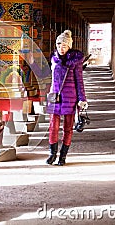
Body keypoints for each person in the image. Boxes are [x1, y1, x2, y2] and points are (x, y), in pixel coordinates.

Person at [27, 30, 88, 166]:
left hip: (70, 97)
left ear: (69, 47)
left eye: (64, 45)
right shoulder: (54, 59)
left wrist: (82, 99)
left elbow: (80, 81)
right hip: (55, 96)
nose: (61, 48)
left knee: (68, 128)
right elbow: (44, 75)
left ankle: (63, 156)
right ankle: (52, 154)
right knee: (53, 127)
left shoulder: (75, 62)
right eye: (59, 45)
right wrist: (33, 64)